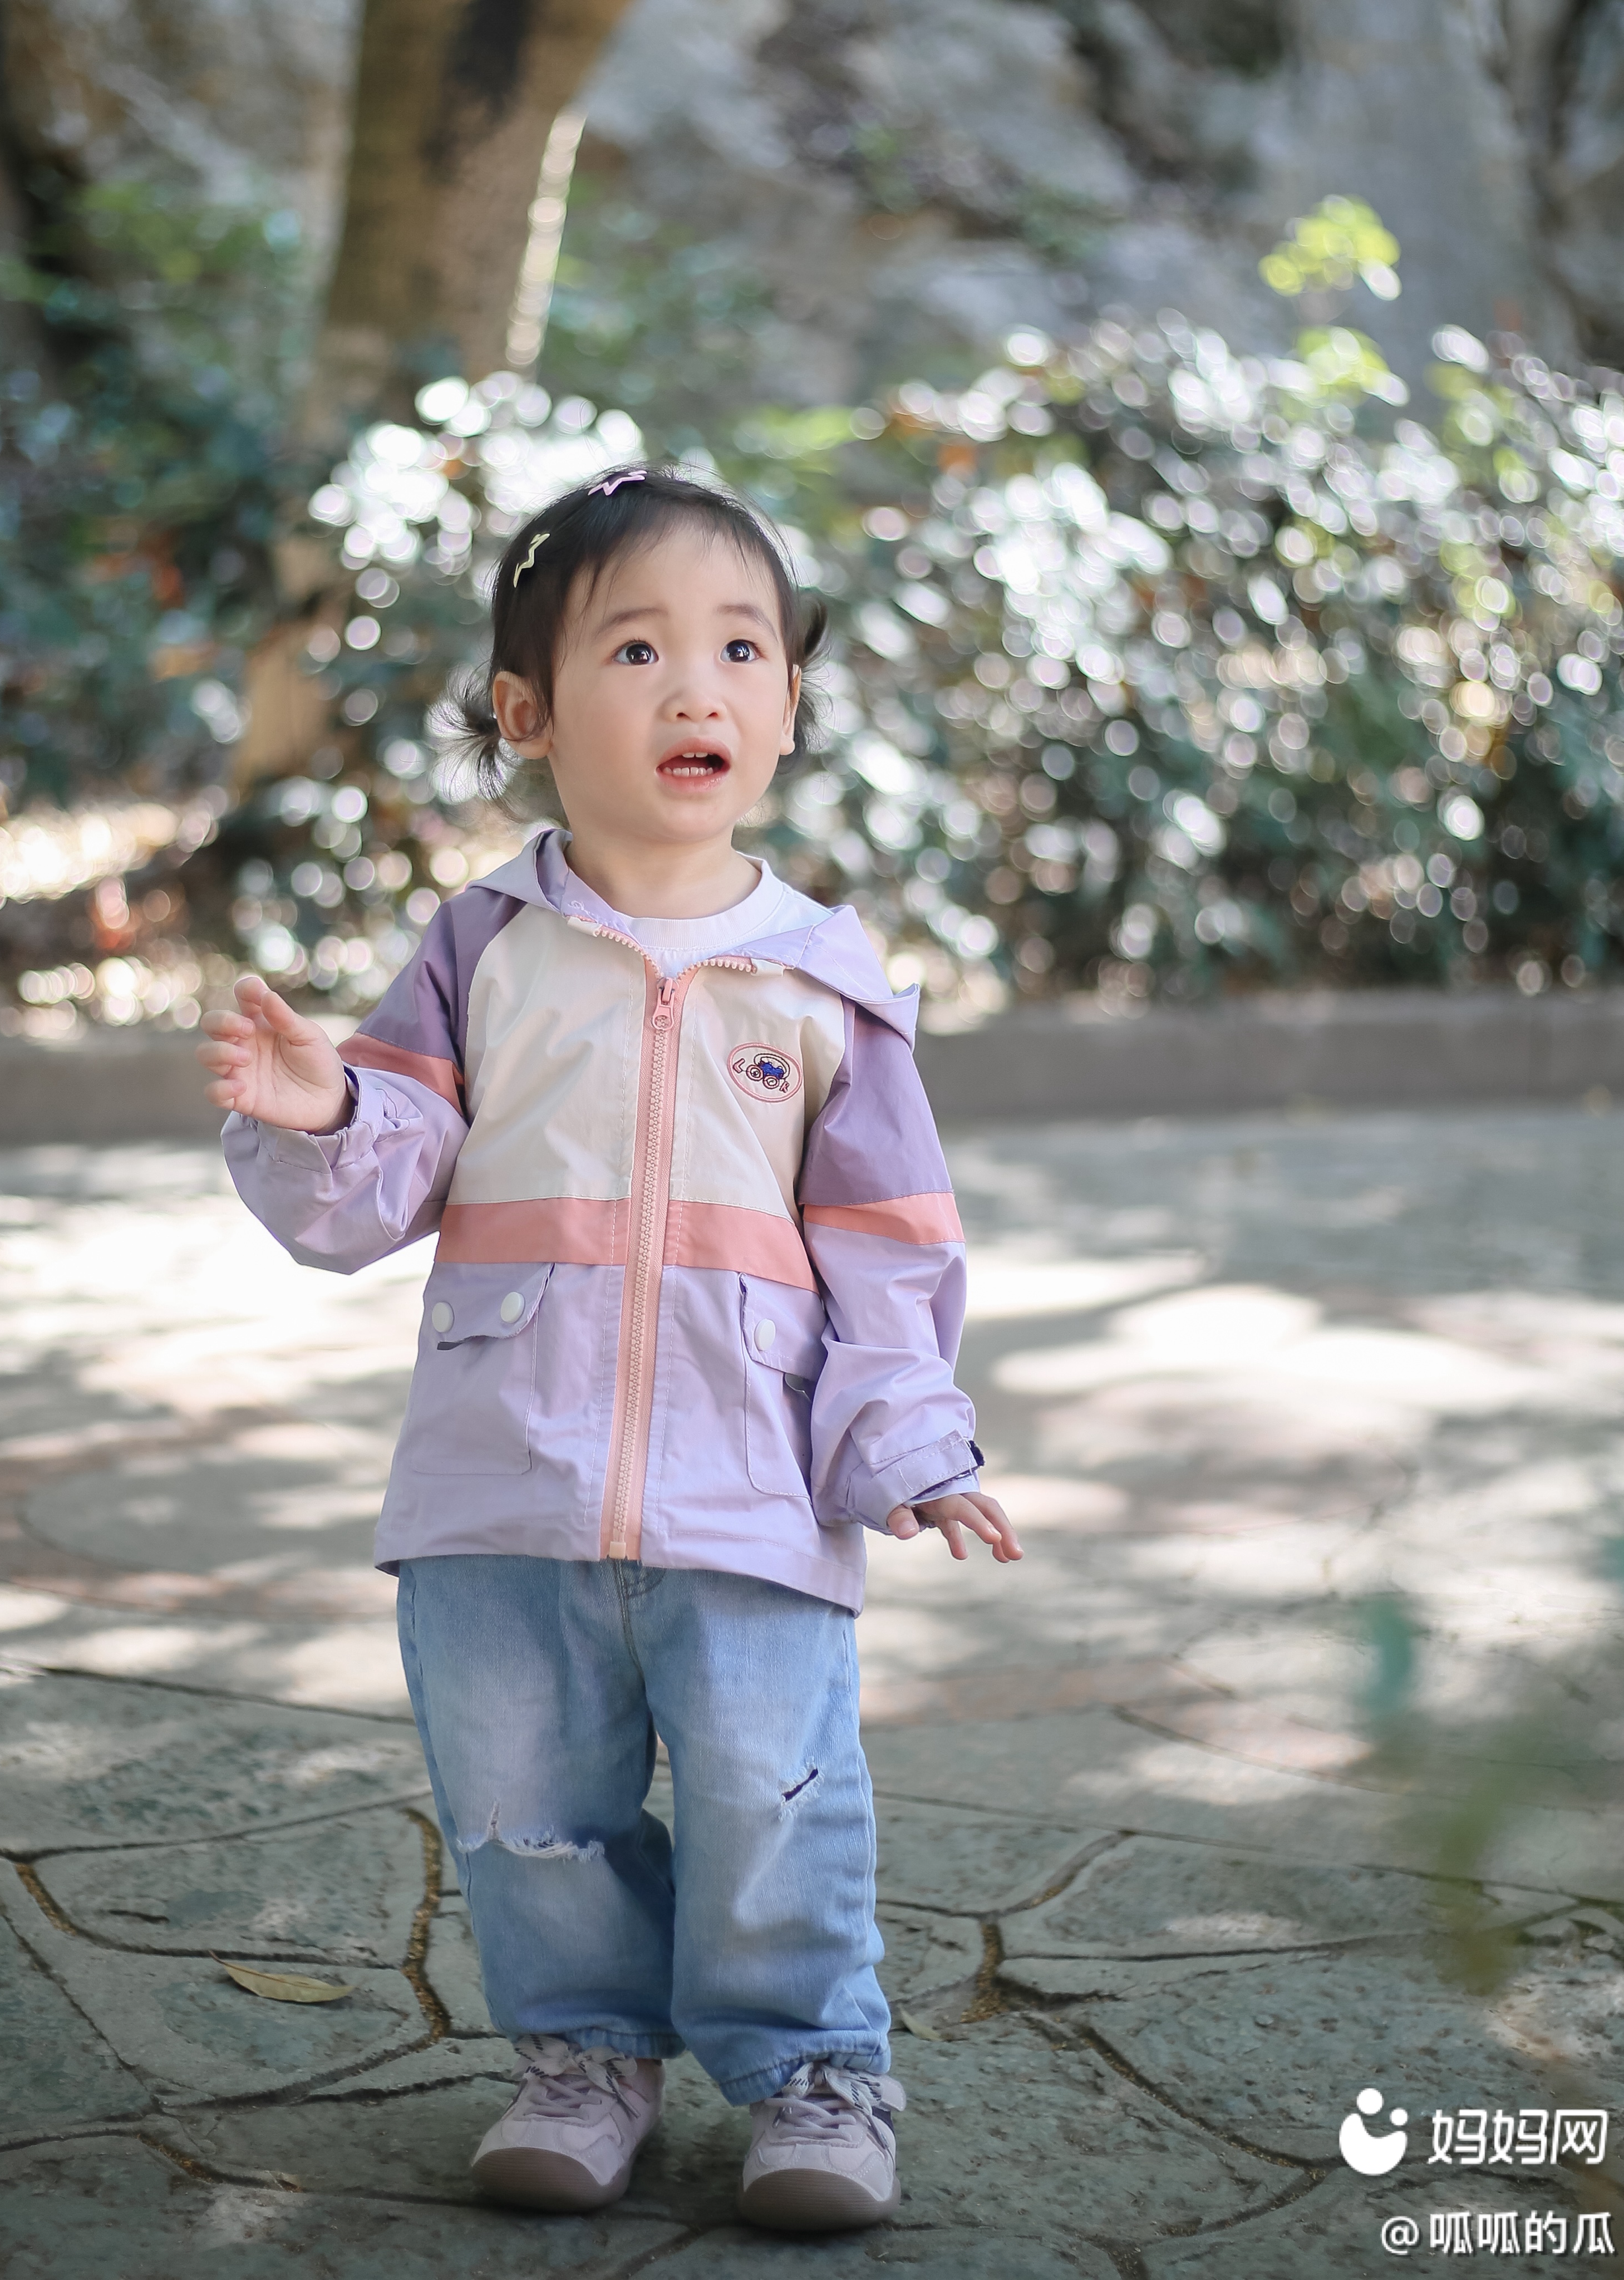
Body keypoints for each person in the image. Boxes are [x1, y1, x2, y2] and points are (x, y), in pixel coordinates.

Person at [198, 465, 1020, 2233]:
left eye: (741, 649)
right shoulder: (483, 949)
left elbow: (888, 1253)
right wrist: (322, 1108)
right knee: (521, 1805)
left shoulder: (825, 986)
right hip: (504, 1483)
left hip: (751, 1492)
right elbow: (381, 1184)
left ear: (788, 707)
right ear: (528, 713)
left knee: (770, 1799)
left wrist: (911, 1444)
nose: (693, 687)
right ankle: (582, 2056)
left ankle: (814, 2076)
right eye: (636, 649)